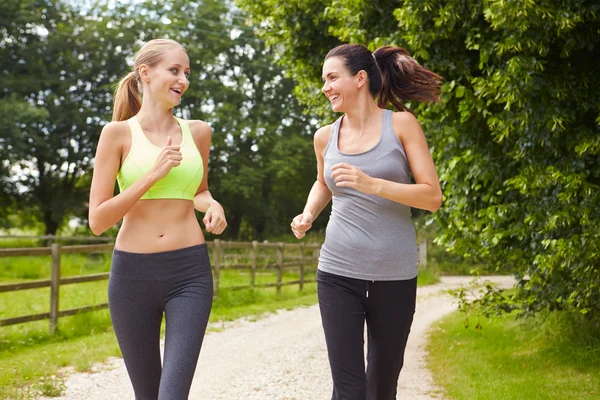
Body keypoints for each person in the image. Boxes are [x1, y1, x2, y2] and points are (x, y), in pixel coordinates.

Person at [290, 43, 443, 400]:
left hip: (395, 275)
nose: (324, 87)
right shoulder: (325, 136)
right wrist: (309, 213)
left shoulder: (401, 125)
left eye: (331, 78)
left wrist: (372, 184)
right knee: (348, 388)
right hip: (338, 271)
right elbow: (322, 181)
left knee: (382, 384)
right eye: (323, 79)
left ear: (360, 78)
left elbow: (432, 196)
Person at [88, 38, 227, 400]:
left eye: (187, 73)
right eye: (175, 70)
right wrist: (151, 175)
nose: (183, 79)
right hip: (132, 277)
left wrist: (213, 205)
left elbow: (199, 190)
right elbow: (98, 220)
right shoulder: (116, 134)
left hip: (189, 272)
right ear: (145, 73)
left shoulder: (198, 132)